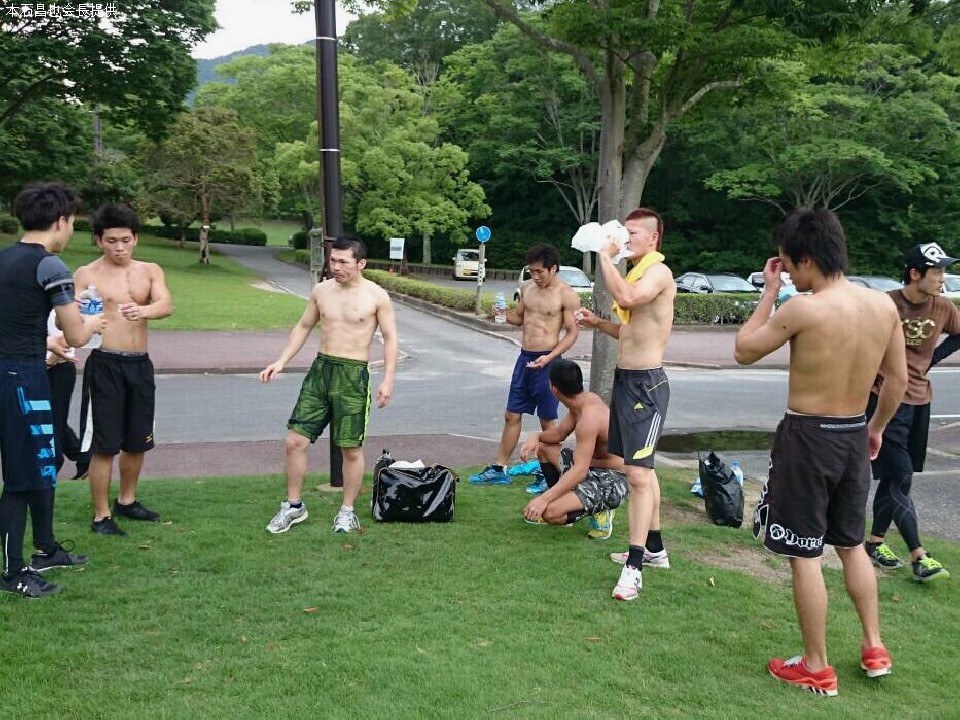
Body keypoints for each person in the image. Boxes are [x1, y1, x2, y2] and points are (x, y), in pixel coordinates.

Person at [735, 208, 907, 696]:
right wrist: (875, 427)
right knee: (851, 544)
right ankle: (874, 646)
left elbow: (743, 350)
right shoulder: (883, 306)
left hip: (808, 436)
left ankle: (816, 665)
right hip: (853, 431)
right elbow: (898, 380)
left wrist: (769, 293)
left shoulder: (804, 309)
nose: (788, 274)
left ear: (807, 259)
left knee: (804, 553)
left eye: (789, 265)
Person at [0, 181, 103, 599]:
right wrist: (92, 323)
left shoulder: (5, 258)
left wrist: (44, 340)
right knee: (22, 478)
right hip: (22, 380)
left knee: (43, 465)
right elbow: (75, 334)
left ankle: (46, 548)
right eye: (72, 222)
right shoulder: (51, 266)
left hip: (15, 371)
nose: (71, 230)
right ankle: (13, 573)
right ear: (61, 221)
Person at [260, 236, 398, 534]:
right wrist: (281, 361)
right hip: (320, 371)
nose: (336, 267)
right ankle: (294, 506)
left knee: (350, 449)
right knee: (294, 441)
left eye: (343, 262)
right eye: (333, 260)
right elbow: (303, 326)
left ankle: (347, 511)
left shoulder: (376, 296)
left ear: (361, 263)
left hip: (353, 375)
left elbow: (390, 339)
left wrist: (388, 380)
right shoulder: (321, 291)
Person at [575, 208, 675, 601]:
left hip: (647, 385)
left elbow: (628, 298)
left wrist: (604, 256)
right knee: (642, 471)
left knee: (636, 474)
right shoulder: (636, 273)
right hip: (626, 381)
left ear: (653, 238)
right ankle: (655, 549)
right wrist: (597, 323)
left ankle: (634, 567)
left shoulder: (658, 273)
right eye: (624, 231)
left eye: (632, 233)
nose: (624, 238)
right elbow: (631, 329)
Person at [74, 203, 173, 536]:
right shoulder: (86, 274)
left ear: (136, 239)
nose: (119, 247)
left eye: (126, 240)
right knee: (105, 444)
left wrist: (143, 310)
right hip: (105, 363)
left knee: (137, 439)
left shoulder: (150, 270)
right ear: (98, 240)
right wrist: (79, 314)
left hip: (139, 364)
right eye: (111, 240)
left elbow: (165, 304)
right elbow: (67, 316)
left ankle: (127, 501)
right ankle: (101, 515)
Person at [864, 242, 960, 582]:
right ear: (915, 273)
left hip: (920, 401)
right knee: (901, 474)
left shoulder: (943, 307)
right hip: (884, 400)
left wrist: (933, 358)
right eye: (937, 272)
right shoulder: (886, 304)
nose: (942, 278)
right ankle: (919, 554)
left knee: (897, 477)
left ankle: (875, 542)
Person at [470, 244, 580, 485]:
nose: (535, 276)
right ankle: (499, 469)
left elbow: (572, 333)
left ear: (553, 269)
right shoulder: (527, 287)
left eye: (540, 271)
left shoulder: (566, 294)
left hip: (549, 361)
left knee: (547, 420)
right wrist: (500, 313)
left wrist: (550, 358)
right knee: (511, 414)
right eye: (532, 271)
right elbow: (518, 318)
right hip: (524, 358)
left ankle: (549, 473)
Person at [518, 359, 628, 540]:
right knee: (545, 448)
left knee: (550, 513)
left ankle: (601, 511)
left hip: (613, 479)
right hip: (590, 468)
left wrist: (543, 499)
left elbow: (579, 470)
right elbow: (558, 434)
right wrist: (536, 436)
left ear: (554, 389)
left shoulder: (589, 419)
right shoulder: (581, 402)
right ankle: (565, 502)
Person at [46, 311, 89, 479]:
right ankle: (83, 459)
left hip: (59, 368)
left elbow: (65, 340)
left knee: (54, 419)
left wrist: (49, 362)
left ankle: (55, 462)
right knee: (53, 418)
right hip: (50, 368)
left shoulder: (56, 310)